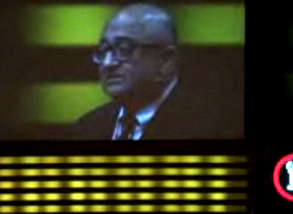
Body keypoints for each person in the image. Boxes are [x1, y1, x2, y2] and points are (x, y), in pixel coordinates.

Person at [75, 3, 242, 140]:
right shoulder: (88, 127)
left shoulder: (211, 128)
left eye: (125, 49)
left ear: (166, 61)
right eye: (104, 50)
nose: (108, 62)